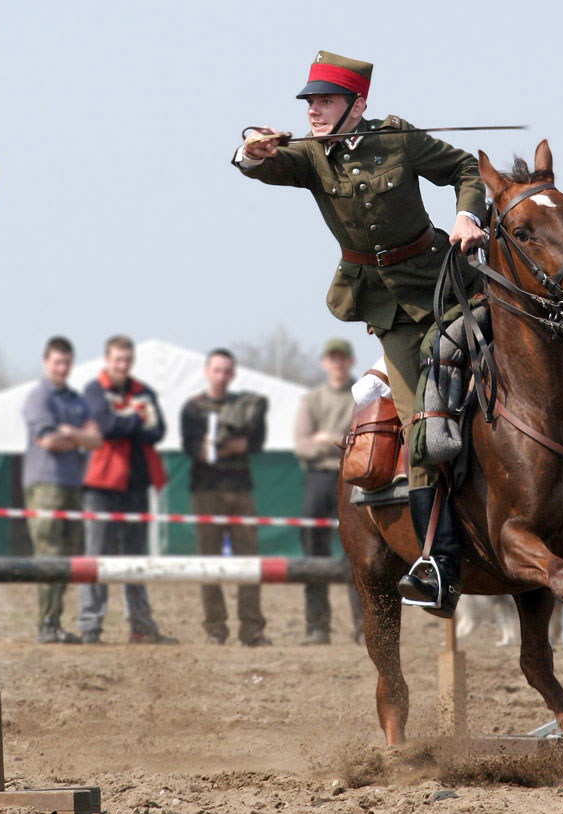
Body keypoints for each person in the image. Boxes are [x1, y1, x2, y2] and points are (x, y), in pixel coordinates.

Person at [233, 50, 487, 617]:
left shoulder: (399, 139)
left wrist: (470, 215)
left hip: (447, 284)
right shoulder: (307, 156)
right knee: (425, 426)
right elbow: (256, 165)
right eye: (310, 103)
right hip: (387, 305)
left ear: (358, 104)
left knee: (541, 345)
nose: (314, 111)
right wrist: (249, 148)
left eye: (324, 101)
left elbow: (467, 169)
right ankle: (438, 565)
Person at [78, 335, 177, 645]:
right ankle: (90, 626)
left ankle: (141, 626)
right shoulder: (94, 390)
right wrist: (136, 418)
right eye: (117, 360)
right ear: (106, 360)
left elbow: (158, 430)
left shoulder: (143, 390)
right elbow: (105, 426)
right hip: (101, 486)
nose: (122, 365)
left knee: (136, 559)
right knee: (97, 558)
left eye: (127, 360)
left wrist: (124, 422)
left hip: (136, 485)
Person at [180, 349, 270, 646]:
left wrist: (220, 446)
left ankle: (252, 630)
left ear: (232, 374)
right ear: (207, 371)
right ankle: (215, 630)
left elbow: (254, 443)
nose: (221, 376)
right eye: (216, 369)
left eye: (226, 370)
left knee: (249, 563)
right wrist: (231, 446)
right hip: (205, 493)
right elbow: (199, 451)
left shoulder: (245, 404)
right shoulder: (192, 409)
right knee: (209, 563)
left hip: (241, 491)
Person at [22, 336, 102, 644]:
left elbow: (96, 441)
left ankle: (54, 622)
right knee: (49, 555)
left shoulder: (75, 399)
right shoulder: (38, 397)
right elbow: (48, 440)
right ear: (46, 362)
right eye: (57, 361)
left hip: (72, 483)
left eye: (67, 362)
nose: (62, 367)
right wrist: (77, 436)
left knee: (67, 558)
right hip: (45, 485)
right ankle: (46, 623)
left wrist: (68, 431)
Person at [293, 337, 364, 644]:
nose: (337, 363)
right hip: (319, 482)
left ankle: (364, 628)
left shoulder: (363, 395)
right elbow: (302, 445)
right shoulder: (311, 399)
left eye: (342, 358)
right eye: (332, 358)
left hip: (353, 480)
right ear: (324, 362)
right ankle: (317, 626)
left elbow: (363, 443)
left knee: (362, 558)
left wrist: (326, 439)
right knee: (313, 556)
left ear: (350, 361)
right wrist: (343, 441)